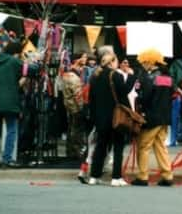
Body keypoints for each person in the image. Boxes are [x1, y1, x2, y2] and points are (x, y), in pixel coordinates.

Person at [88, 53, 135, 186]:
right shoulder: (116, 75)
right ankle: (116, 177)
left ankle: (94, 176)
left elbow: (92, 100)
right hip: (116, 117)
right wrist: (131, 76)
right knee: (118, 146)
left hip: (100, 118)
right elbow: (125, 90)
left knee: (101, 147)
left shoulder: (95, 76)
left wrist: (94, 118)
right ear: (112, 62)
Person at [131, 49, 174, 187]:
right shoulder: (167, 77)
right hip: (165, 117)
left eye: (144, 61)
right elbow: (171, 93)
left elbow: (145, 97)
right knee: (160, 146)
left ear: (150, 62)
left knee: (143, 146)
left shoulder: (149, 77)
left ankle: (142, 176)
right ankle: (167, 175)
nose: (142, 64)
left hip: (152, 117)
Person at [0, 42, 27, 170]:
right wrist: (30, 62)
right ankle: (6, 160)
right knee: (11, 130)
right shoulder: (13, 61)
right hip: (10, 102)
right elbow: (30, 69)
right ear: (16, 52)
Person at [61, 53, 88, 160]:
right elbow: (78, 94)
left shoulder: (69, 74)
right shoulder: (73, 76)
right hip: (76, 107)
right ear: (77, 60)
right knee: (77, 130)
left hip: (70, 106)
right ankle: (76, 151)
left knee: (72, 128)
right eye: (84, 57)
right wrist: (82, 108)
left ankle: (71, 150)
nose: (85, 59)